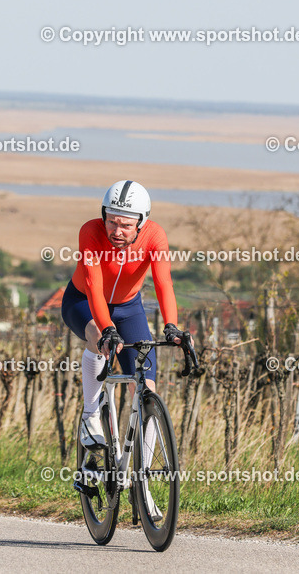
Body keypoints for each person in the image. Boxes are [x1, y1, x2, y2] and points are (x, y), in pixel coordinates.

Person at [60, 180, 187, 451]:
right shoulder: (90, 231)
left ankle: (144, 477)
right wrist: (106, 327)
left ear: (141, 223)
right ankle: (91, 415)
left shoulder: (155, 236)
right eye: (112, 222)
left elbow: (164, 283)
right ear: (103, 215)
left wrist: (171, 325)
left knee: (146, 387)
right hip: (83, 302)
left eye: (126, 225)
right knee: (96, 336)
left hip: (129, 308)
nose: (117, 231)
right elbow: (94, 285)